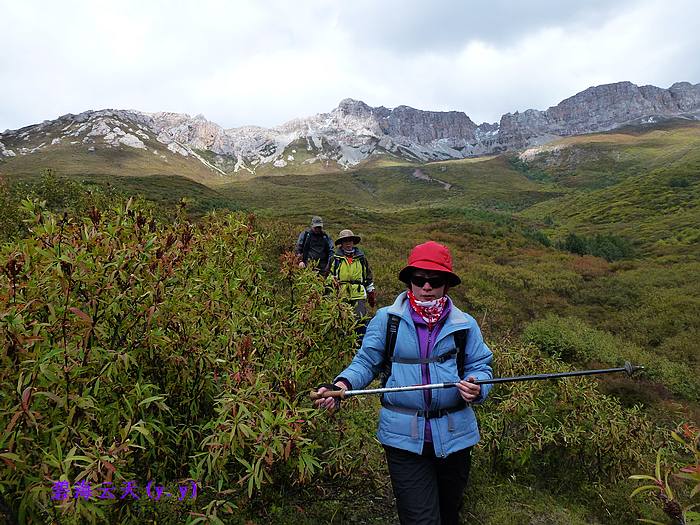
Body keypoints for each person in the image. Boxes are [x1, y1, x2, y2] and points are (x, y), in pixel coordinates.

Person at [314, 241, 493, 525]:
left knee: (449, 514)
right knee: (420, 519)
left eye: (435, 280)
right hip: (403, 440)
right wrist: (343, 385)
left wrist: (478, 385)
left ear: (447, 283)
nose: (426, 287)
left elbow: (480, 366)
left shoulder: (465, 324)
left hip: (457, 437)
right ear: (409, 280)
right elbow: (367, 361)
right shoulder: (387, 320)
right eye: (418, 279)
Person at [329, 229, 376, 337]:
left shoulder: (361, 258)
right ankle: (343, 345)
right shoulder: (335, 259)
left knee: (360, 321)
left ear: (353, 242)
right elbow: (329, 276)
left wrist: (370, 291)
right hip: (341, 295)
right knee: (342, 321)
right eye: (345, 241)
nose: (348, 243)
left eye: (350, 241)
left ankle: (359, 345)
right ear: (341, 243)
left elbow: (367, 276)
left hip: (358, 294)